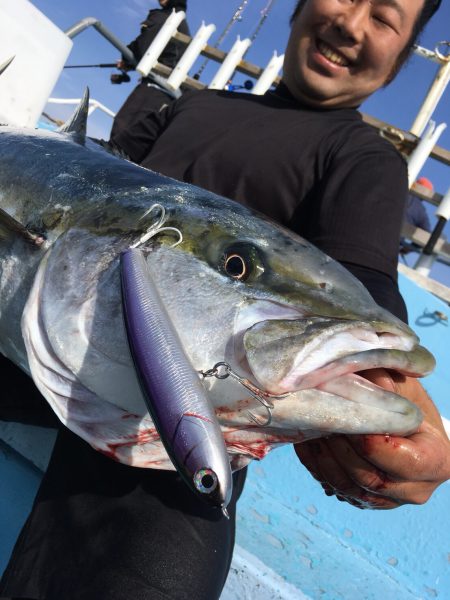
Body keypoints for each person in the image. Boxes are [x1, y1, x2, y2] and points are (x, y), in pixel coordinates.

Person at [1, 1, 449, 599]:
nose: (349, 24)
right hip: (58, 318)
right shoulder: (191, 102)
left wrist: (401, 400)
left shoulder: (364, 160)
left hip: (173, 409)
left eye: (385, 18)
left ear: (398, 63)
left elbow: (366, 285)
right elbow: (96, 176)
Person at [109, 0, 190, 141]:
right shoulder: (182, 23)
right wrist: (129, 64)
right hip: (168, 95)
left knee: (122, 134)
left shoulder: (166, 16)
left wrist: (126, 59)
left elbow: (143, 47)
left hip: (153, 90)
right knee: (134, 141)